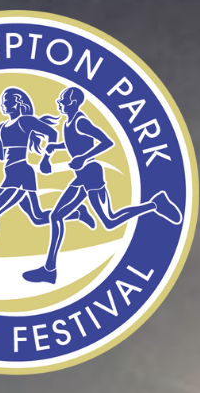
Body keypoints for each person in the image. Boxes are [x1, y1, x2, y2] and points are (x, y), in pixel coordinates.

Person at [27, 87, 182, 284]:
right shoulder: (68, 123)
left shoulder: (81, 121)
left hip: (91, 176)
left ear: (73, 102)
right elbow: (74, 145)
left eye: (63, 99)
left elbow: (107, 142)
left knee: (110, 222)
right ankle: (49, 270)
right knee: (57, 215)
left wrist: (84, 157)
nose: (59, 102)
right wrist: (53, 148)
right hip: (81, 177)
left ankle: (155, 204)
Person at [0, 87, 92, 280]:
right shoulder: (2, 127)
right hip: (12, 173)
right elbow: (1, 156)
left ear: (18, 103)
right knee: (38, 218)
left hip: (20, 173)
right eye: (2, 100)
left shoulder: (25, 121)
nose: (3, 104)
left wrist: (46, 157)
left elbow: (52, 134)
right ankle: (77, 213)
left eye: (6, 100)